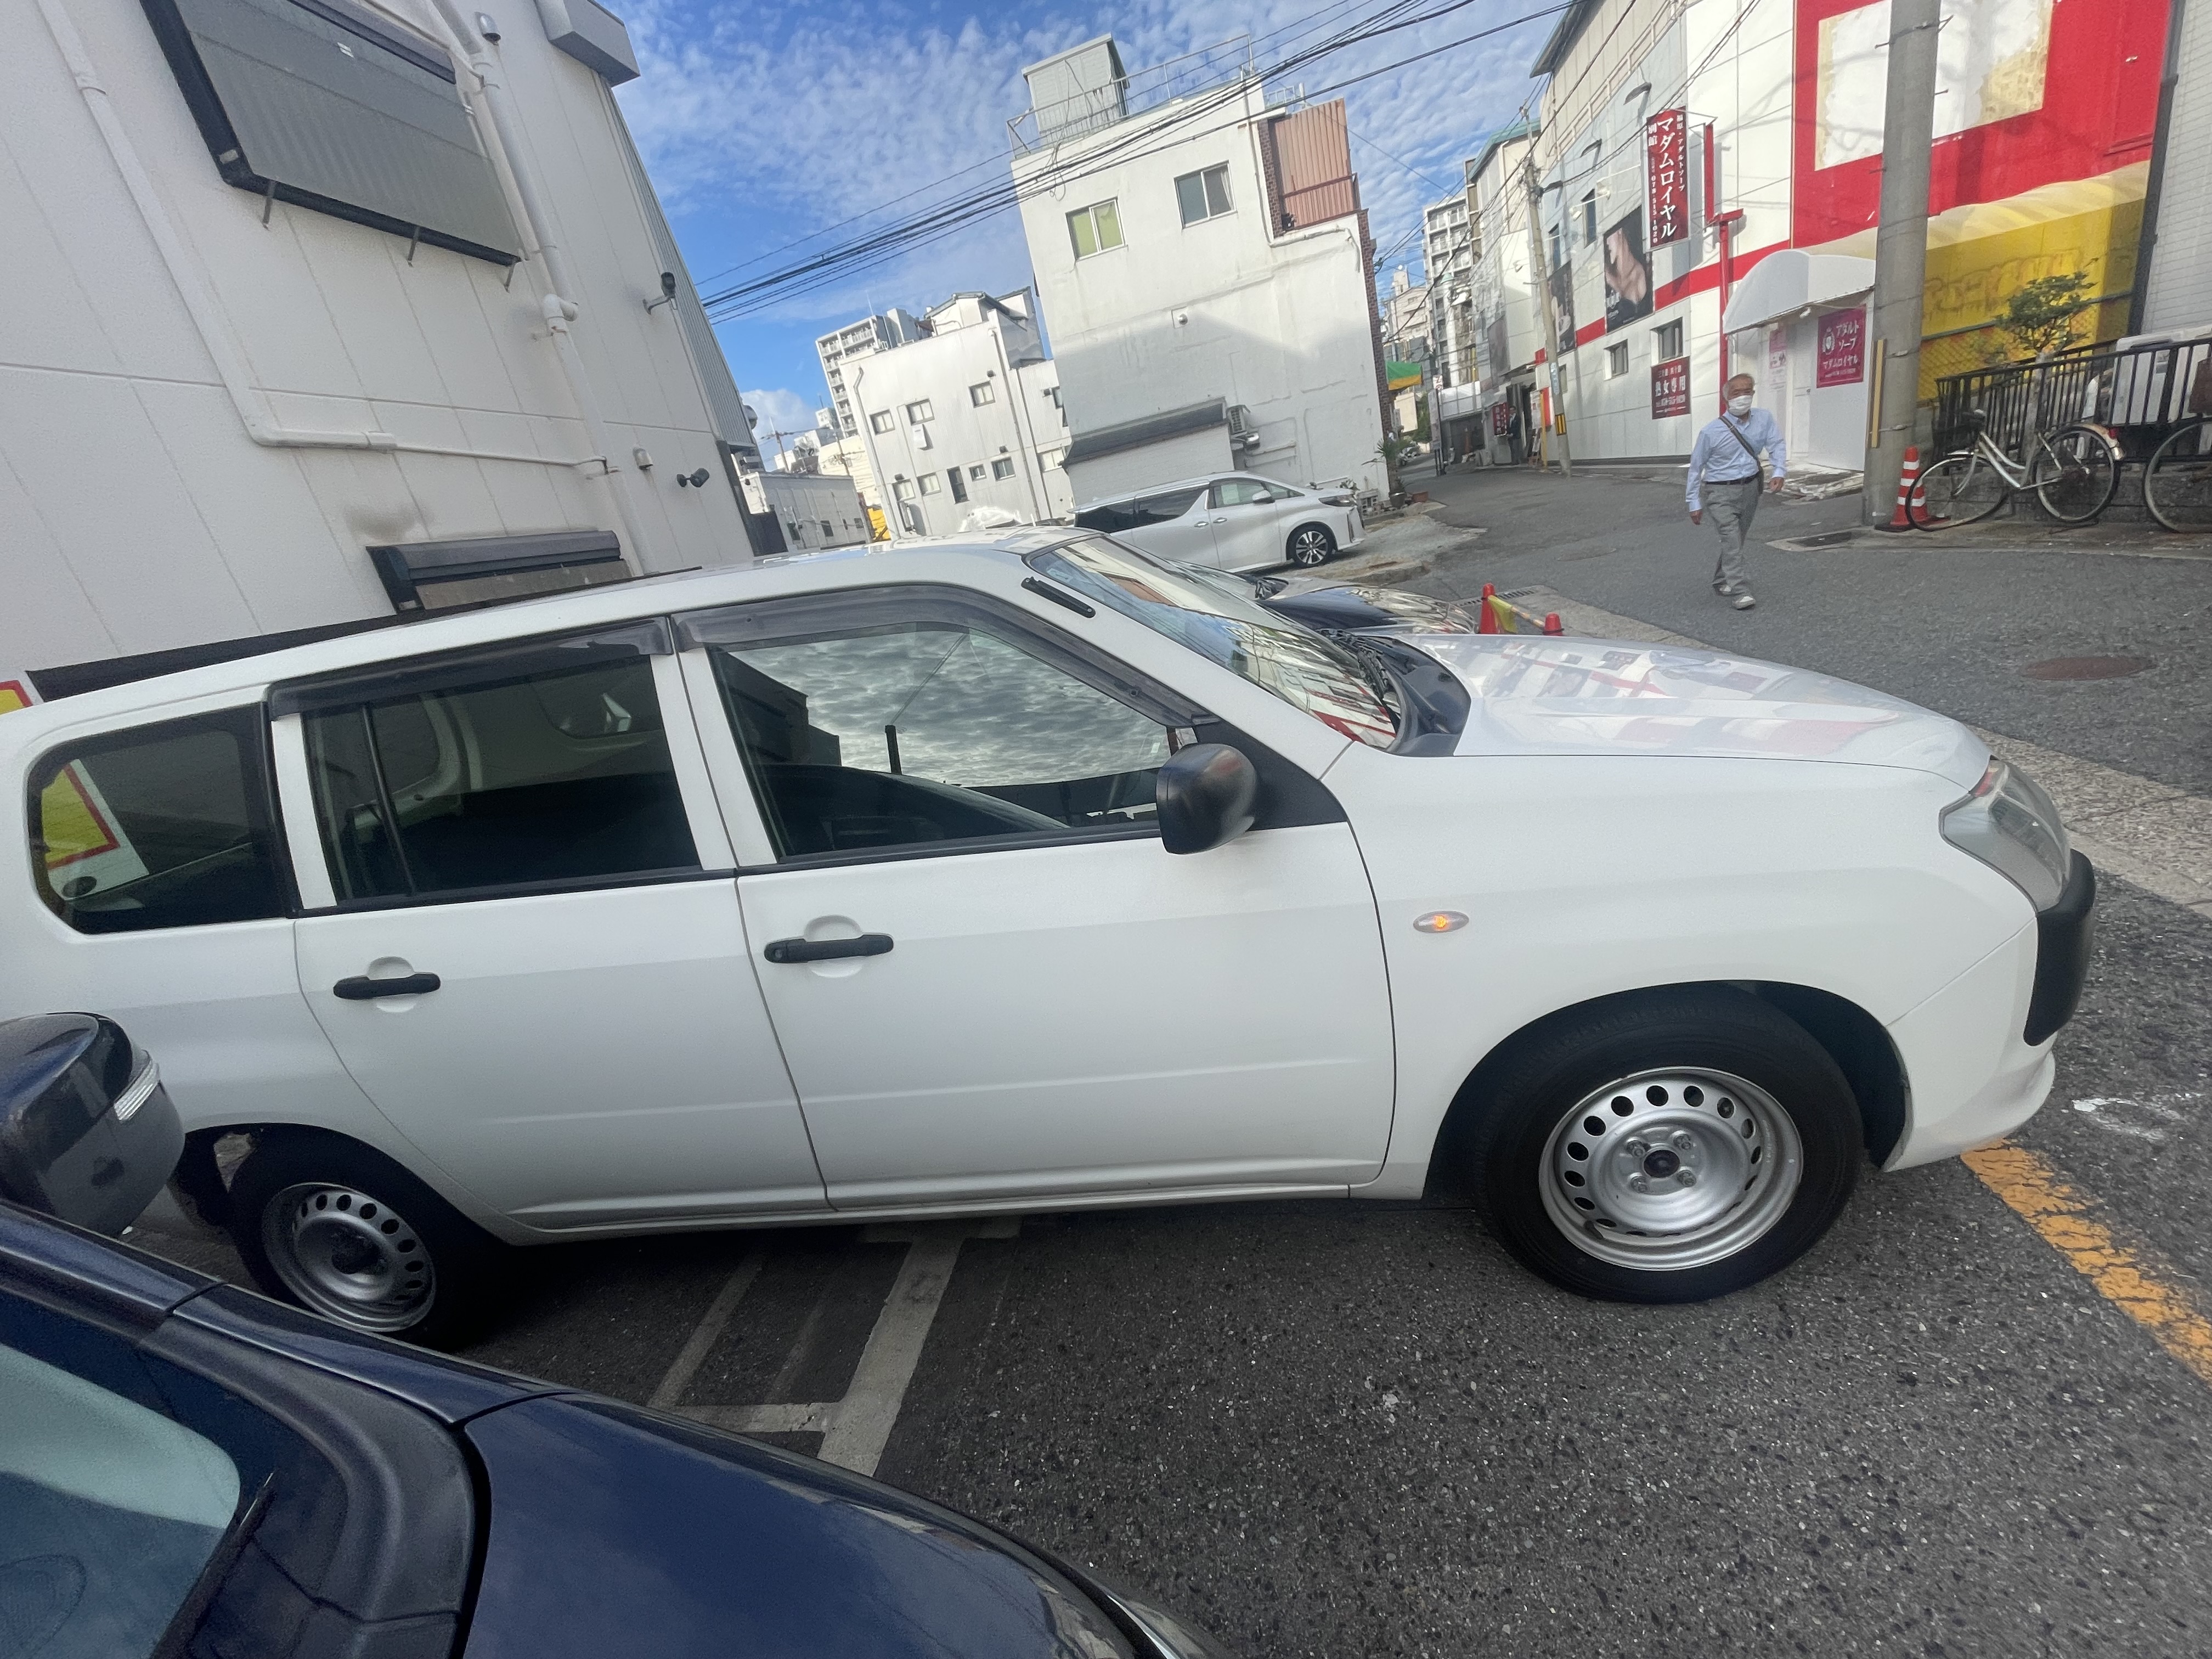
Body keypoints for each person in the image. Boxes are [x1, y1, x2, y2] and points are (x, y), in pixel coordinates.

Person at [1686, 373, 1787, 611]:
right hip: (1719, 492)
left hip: (1751, 487)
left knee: (1737, 538)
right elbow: (1696, 467)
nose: (1742, 397)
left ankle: (1721, 580)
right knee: (1731, 538)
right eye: (1736, 393)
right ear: (1726, 399)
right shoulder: (1710, 432)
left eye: (1747, 391)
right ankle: (1741, 590)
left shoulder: (1764, 419)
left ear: (1753, 393)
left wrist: (1779, 471)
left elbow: (1776, 444)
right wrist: (1694, 502)